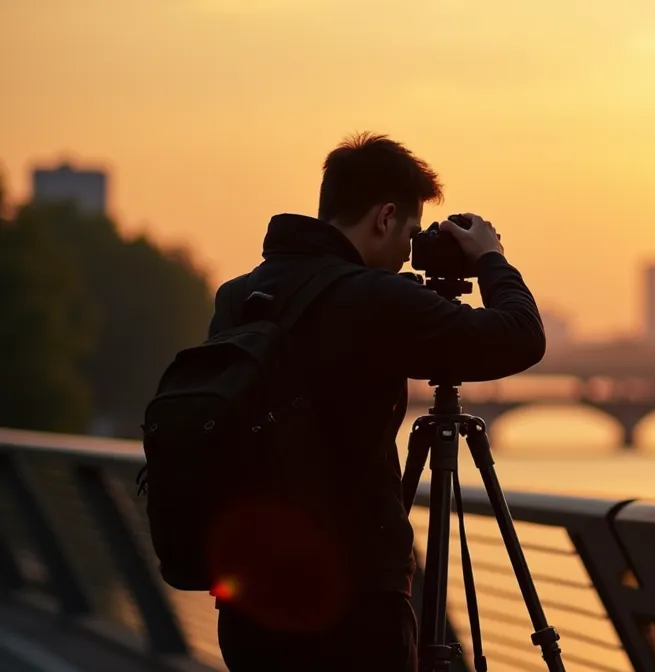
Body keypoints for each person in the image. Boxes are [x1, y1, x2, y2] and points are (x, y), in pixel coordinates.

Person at [208, 133, 546, 671]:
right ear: (385, 217)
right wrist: (490, 259)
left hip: (249, 601)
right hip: (348, 611)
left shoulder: (239, 296)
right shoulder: (373, 298)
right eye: (412, 233)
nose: (409, 252)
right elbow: (521, 336)